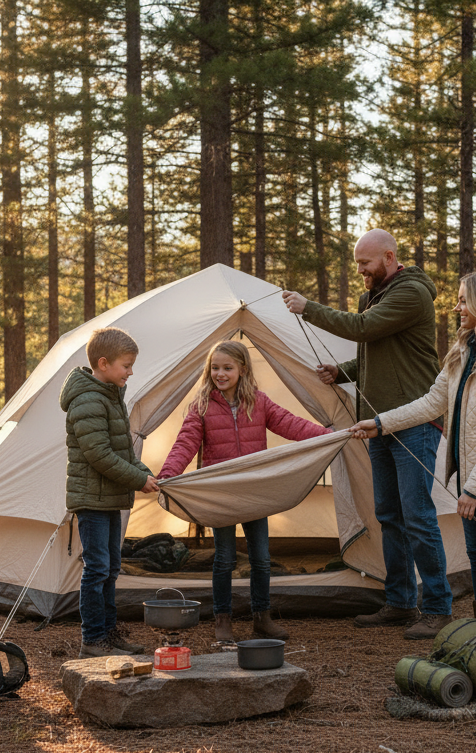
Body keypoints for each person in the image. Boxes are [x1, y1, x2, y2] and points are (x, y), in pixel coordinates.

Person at [281, 228, 451, 640]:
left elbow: (363, 328)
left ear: (390, 257)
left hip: (413, 422)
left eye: (366, 264)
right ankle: (399, 602)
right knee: (389, 516)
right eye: (357, 264)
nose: (361, 272)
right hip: (378, 425)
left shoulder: (412, 294)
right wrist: (344, 372)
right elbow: (372, 350)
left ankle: (439, 608)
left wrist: (308, 308)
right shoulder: (373, 294)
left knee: (417, 516)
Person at [351, 270, 476, 630]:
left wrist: (472, 490)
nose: (457, 307)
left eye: (464, 300)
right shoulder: (463, 352)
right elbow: (431, 402)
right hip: (471, 476)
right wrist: (380, 423)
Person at [158, 340, 330, 643]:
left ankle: (261, 617)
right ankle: (222, 619)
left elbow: (291, 425)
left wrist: (328, 435)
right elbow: (185, 443)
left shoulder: (259, 402)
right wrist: (168, 475)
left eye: (227, 368)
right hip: (221, 494)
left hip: (254, 492)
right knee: (224, 558)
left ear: (242, 369)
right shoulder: (201, 405)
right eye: (215, 368)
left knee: (261, 558)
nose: (220, 374)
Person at [60, 327, 161, 658]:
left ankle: (108, 633)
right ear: (103, 364)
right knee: (97, 569)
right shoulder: (88, 400)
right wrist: (136, 480)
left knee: (111, 568)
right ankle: (92, 639)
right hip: (92, 500)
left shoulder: (109, 395)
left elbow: (123, 448)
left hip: (109, 497)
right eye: (127, 365)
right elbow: (99, 455)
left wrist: (144, 473)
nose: (131, 372)